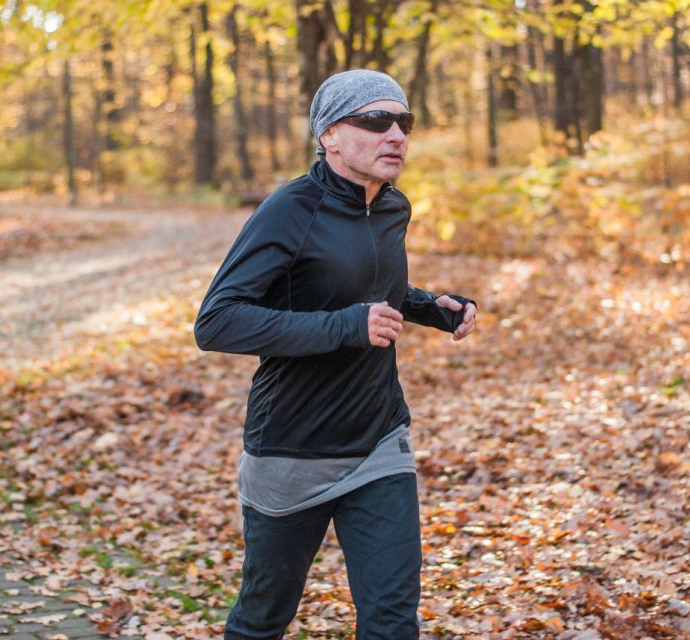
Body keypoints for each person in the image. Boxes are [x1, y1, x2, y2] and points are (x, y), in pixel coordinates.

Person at [194, 69, 478, 640]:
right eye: (375, 121)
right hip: (293, 448)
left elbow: (366, 288)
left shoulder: (392, 206)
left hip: (378, 440)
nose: (395, 135)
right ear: (329, 136)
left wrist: (429, 308)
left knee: (392, 621)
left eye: (405, 122)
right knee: (264, 617)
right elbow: (217, 321)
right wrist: (345, 326)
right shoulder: (290, 209)